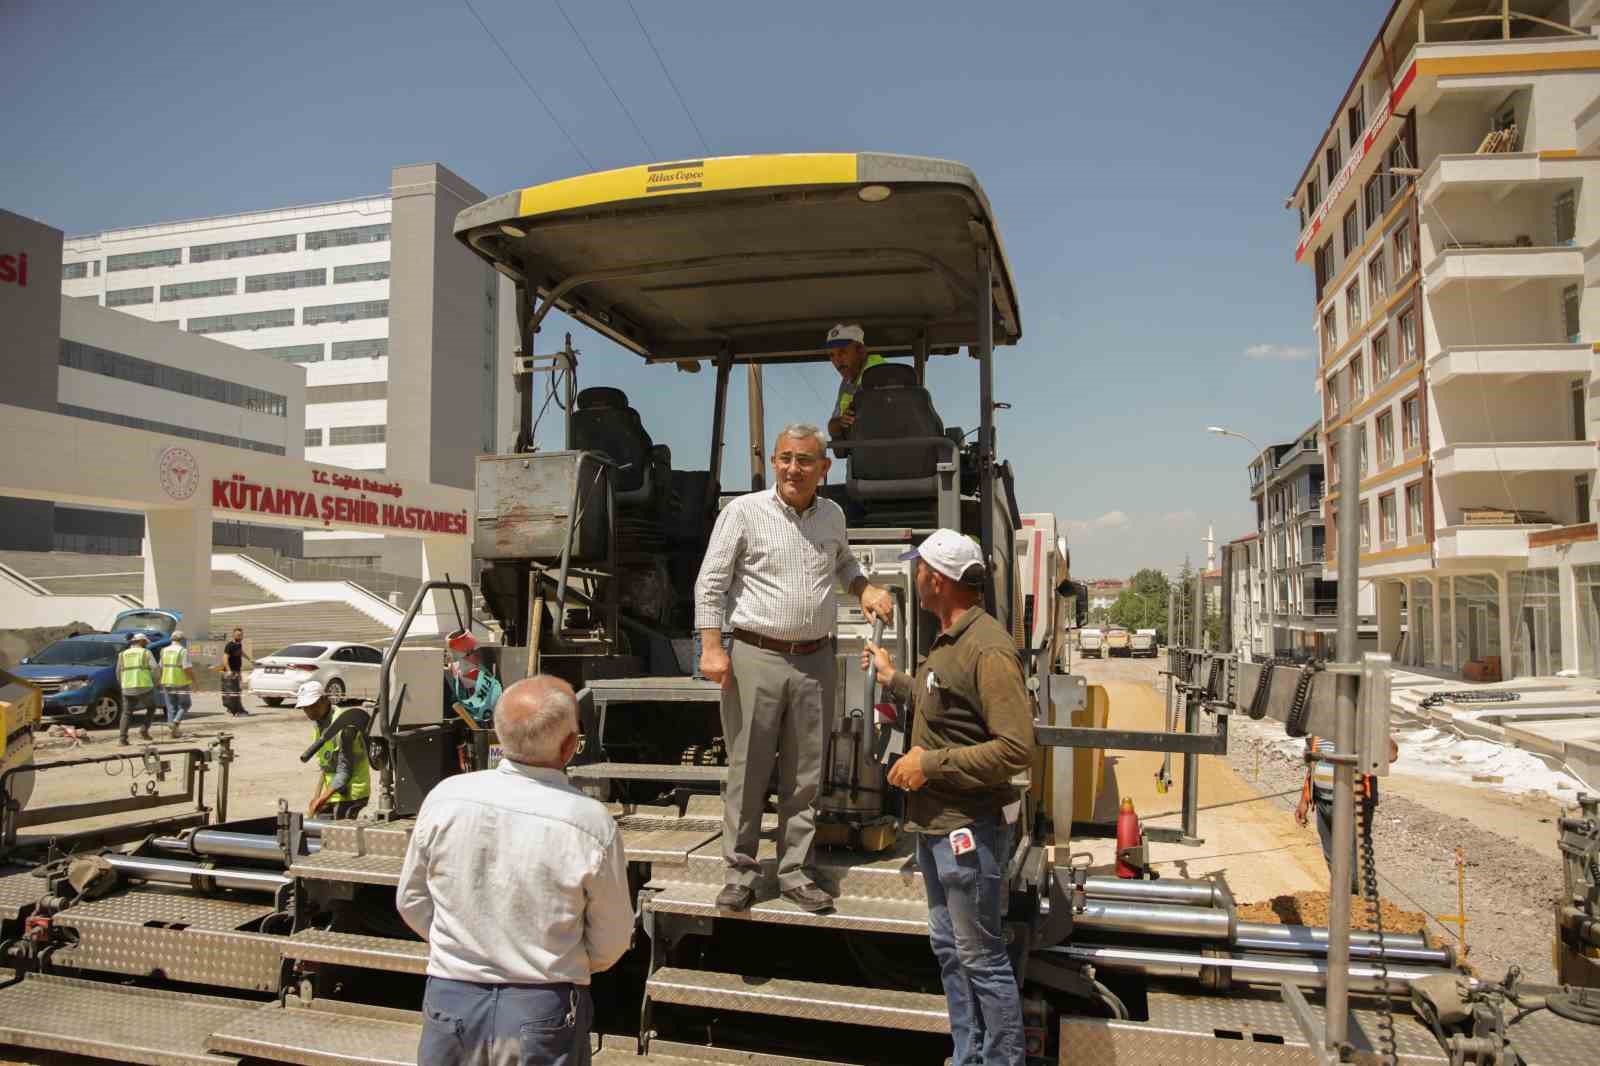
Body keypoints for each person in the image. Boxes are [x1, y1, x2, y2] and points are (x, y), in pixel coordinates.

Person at [694, 423, 895, 914]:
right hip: (755, 655)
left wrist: (864, 587)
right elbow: (711, 583)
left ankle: (793, 871)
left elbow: (844, 564)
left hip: (815, 659)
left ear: (824, 469)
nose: (792, 468)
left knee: (806, 773)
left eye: (805, 461)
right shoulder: (743, 512)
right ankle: (741, 872)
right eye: (785, 458)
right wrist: (712, 648)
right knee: (748, 770)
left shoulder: (832, 515)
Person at [863, 527, 1034, 1066]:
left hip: (968, 828)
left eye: (919, 570)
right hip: (935, 829)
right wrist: (896, 681)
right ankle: (968, 1056)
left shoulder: (987, 646)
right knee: (952, 952)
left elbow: (1015, 749)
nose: (915, 577)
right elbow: (946, 703)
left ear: (936, 580)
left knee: (981, 958)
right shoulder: (951, 639)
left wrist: (928, 762)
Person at [397, 677, 631, 1066]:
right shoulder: (590, 821)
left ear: (499, 734)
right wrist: (560, 962)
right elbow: (612, 938)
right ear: (571, 746)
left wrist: (463, 947)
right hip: (544, 1004)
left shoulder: (444, 797)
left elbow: (412, 901)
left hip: (451, 997)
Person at [1295, 732, 1399, 893]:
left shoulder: (1361, 725)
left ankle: (1357, 898)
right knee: (1331, 854)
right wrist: (1304, 800)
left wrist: (1373, 727)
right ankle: (1342, 896)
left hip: (1353, 804)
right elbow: (1312, 766)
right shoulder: (1319, 727)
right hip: (1322, 800)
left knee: (1354, 858)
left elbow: (1391, 755)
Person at [299, 680, 371, 819]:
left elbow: (344, 771)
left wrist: (322, 799)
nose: (309, 711)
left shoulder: (344, 727)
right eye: (305, 708)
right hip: (335, 792)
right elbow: (328, 762)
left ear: (325, 700)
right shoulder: (320, 724)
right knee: (318, 827)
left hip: (351, 793)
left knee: (330, 832)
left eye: (313, 706)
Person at [823, 323, 886, 442]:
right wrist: (841, 421)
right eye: (832, 355)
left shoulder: (884, 373)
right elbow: (832, 427)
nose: (837, 361)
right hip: (862, 450)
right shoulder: (846, 384)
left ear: (861, 351)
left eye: (842, 352)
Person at [117, 632, 161, 746]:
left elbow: (118, 672)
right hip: (144, 686)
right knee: (151, 708)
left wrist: (122, 684)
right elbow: (155, 668)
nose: (146, 644)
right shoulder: (146, 653)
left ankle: (122, 739)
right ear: (141, 642)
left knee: (126, 712)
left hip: (127, 686)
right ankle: (144, 730)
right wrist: (156, 682)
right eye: (145, 642)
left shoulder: (122, 654)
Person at [158, 630, 195, 739]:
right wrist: (194, 680)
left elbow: (160, 666)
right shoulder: (182, 651)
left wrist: (160, 680)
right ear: (182, 640)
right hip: (180, 682)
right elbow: (187, 668)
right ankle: (176, 722)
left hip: (167, 681)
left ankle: (173, 731)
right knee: (185, 704)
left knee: (171, 707)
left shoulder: (164, 651)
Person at [220, 627, 251, 717]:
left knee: (235, 691)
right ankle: (236, 711)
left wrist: (250, 659)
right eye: (238, 635)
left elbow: (241, 652)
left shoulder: (239, 644)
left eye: (241, 635)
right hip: (230, 672)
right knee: (233, 692)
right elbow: (225, 658)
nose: (240, 636)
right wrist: (229, 671)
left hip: (237, 671)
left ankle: (232, 709)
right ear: (233, 635)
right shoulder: (230, 645)